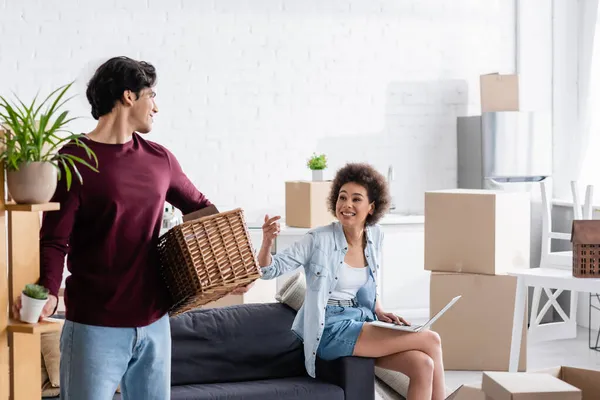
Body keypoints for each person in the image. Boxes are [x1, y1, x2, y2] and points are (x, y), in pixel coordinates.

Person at [11, 56, 249, 400]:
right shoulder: (74, 159)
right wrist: (48, 292)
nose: (156, 107)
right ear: (128, 96)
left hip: (155, 324)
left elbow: (201, 209)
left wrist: (231, 259)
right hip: (94, 326)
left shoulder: (160, 160)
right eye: (151, 95)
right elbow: (54, 240)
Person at [258, 163, 446, 400]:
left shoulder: (376, 235)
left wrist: (379, 309)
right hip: (330, 328)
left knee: (423, 365)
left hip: (363, 321)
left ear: (371, 207)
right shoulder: (318, 239)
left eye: (356, 199)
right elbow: (268, 270)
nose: (347, 205)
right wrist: (266, 242)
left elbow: (369, 282)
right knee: (431, 339)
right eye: (342, 197)